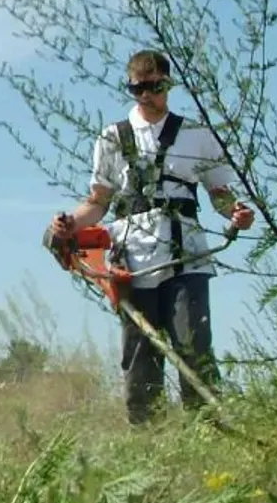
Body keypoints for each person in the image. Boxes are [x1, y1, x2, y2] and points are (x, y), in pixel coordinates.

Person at [47, 49, 254, 426]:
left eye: (154, 86)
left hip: (186, 253)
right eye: (137, 88)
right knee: (141, 355)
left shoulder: (196, 135)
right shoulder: (113, 138)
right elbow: (98, 202)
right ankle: (147, 441)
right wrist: (69, 225)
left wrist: (235, 214)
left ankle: (210, 433)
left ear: (168, 84)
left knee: (193, 346)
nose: (146, 95)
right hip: (134, 259)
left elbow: (220, 194)